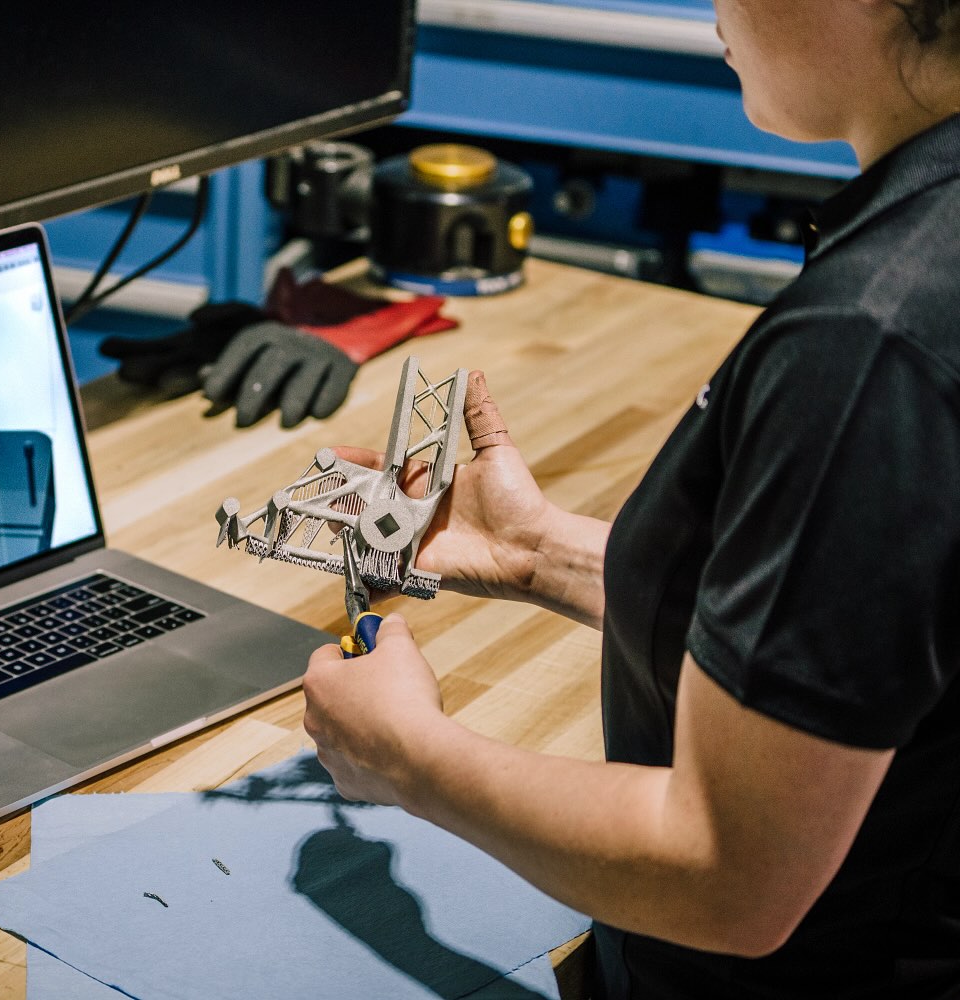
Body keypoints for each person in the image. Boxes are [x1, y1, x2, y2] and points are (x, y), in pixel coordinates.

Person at [300, 2, 960, 997]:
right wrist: (539, 552)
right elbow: (866, 634)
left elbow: (728, 875)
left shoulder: (869, 340)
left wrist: (408, 758)